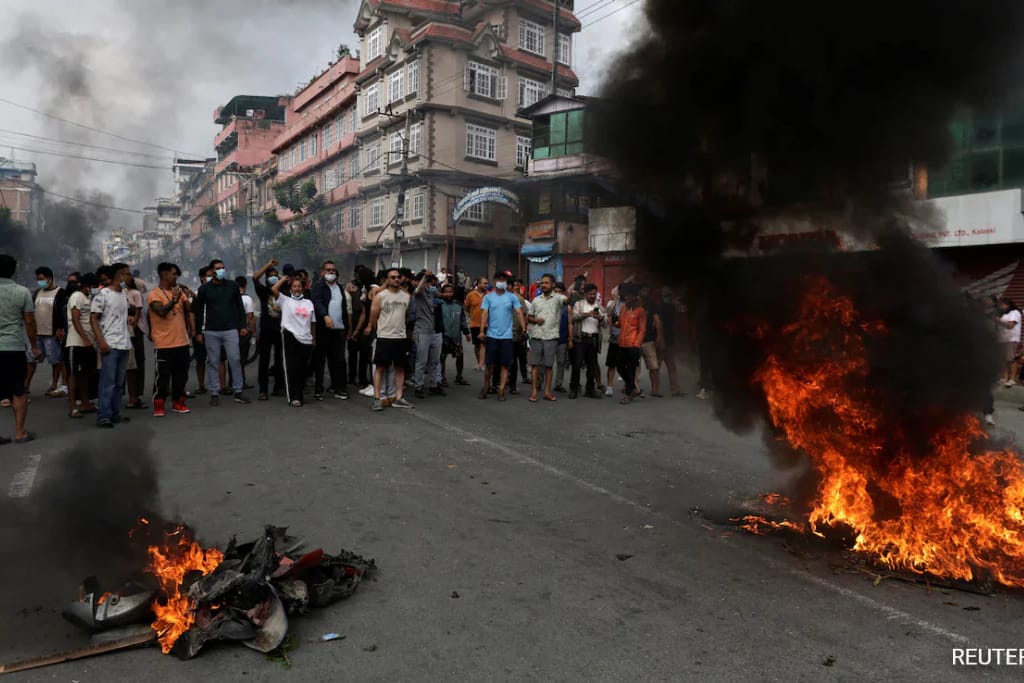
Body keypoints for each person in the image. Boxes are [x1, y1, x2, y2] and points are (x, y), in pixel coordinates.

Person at [193, 259, 250, 405]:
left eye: (223, 268)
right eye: (218, 268)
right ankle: (214, 393)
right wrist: (198, 331)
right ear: (211, 271)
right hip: (211, 331)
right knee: (213, 362)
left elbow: (239, 308)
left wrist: (243, 325)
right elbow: (199, 312)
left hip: (230, 329)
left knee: (235, 359)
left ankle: (238, 390)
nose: (221, 271)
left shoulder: (232, 286)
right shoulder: (204, 289)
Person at [0, 254, 40, 442]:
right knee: (18, 390)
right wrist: (34, 346)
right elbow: (30, 322)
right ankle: (20, 432)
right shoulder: (22, 292)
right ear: (14, 270)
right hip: (13, 347)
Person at [90, 263, 133, 428]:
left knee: (118, 383)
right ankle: (103, 416)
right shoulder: (103, 294)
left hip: (124, 344)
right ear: (119, 275)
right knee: (107, 382)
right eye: (127, 274)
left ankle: (114, 413)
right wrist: (101, 341)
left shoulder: (123, 293)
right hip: (110, 344)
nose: (130, 277)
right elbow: (93, 318)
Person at [365, 268, 414, 411]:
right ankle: (377, 399)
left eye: (398, 277)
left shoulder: (406, 296)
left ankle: (398, 398)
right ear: (387, 280)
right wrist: (380, 331)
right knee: (380, 368)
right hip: (384, 337)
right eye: (392, 277)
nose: (396, 279)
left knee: (399, 369)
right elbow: (373, 318)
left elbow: (405, 316)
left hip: (400, 337)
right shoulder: (380, 296)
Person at [148, 262, 193, 417]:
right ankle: (159, 405)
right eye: (174, 274)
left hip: (182, 342)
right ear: (165, 275)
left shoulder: (179, 292)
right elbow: (160, 311)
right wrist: (174, 300)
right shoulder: (154, 294)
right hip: (164, 344)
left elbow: (191, 309)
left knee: (181, 375)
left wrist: (192, 295)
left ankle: (178, 402)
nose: (176, 277)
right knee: (162, 376)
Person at [478, 271, 525, 401]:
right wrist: (482, 330)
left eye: (504, 279)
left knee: (505, 365)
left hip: (507, 336)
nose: (501, 281)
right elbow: (484, 314)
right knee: (490, 365)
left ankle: (501, 390)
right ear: (495, 281)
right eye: (499, 279)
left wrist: (524, 328)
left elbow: (519, 312)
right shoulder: (488, 298)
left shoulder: (512, 297)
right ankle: (486, 386)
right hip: (492, 335)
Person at [272, 273, 317, 407]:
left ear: (302, 288)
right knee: (292, 368)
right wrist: (283, 280)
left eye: (299, 286)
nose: (297, 289)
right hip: (290, 336)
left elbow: (313, 322)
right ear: (291, 288)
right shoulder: (285, 300)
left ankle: (300, 394)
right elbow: (274, 290)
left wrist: (314, 338)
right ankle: (294, 397)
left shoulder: (308, 303)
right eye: (294, 286)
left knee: (303, 369)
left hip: (306, 338)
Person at [311, 260, 351, 401]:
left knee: (339, 360)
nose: (331, 272)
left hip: (339, 329)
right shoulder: (318, 286)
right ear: (323, 272)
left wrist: (347, 328)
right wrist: (325, 316)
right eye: (328, 270)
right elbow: (317, 302)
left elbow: (344, 308)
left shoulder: (340, 287)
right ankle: (318, 389)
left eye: (333, 270)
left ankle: (340, 388)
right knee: (320, 360)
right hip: (323, 329)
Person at [527, 273, 566, 402]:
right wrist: (536, 320)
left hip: (551, 337)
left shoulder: (558, 299)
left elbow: (567, 300)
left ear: (553, 285)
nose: (543, 285)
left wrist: (571, 292)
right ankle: (534, 392)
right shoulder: (536, 300)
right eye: (542, 283)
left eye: (546, 283)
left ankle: (547, 392)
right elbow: (529, 317)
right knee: (535, 365)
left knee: (549, 366)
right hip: (537, 336)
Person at [65, 273, 98, 418]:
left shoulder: (88, 299)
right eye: (91, 287)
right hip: (76, 341)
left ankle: (85, 403)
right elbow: (75, 319)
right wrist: (84, 338)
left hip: (88, 342)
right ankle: (73, 407)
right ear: (85, 285)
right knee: (73, 374)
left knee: (85, 374)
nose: (91, 289)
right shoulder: (77, 296)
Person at [33, 266, 68, 398]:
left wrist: (61, 328)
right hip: (37, 332)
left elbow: (62, 313)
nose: (39, 282)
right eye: (37, 279)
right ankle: (25, 385)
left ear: (49, 278)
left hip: (52, 333)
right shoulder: (37, 292)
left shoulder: (60, 292)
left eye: (41, 279)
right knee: (31, 359)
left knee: (56, 360)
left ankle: (56, 384)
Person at [252, 259, 284, 400]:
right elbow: (254, 277)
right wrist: (268, 265)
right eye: (270, 275)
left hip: (280, 329)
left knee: (279, 359)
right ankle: (263, 390)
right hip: (266, 328)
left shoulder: (283, 292)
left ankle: (279, 387)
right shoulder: (263, 291)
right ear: (266, 278)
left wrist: (282, 279)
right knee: (264, 359)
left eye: (275, 275)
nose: (273, 277)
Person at [412, 271, 445, 398]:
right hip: (422, 331)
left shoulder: (431, 293)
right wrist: (424, 277)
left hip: (434, 331)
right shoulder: (419, 294)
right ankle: (418, 386)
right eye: (427, 281)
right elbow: (418, 289)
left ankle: (434, 384)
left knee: (435, 361)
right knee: (421, 361)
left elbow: (441, 294)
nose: (430, 284)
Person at [569, 284, 605, 399]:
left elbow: (605, 323)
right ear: (585, 294)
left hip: (593, 338)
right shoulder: (579, 304)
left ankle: (590, 389)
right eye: (590, 294)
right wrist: (587, 314)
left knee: (592, 365)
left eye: (594, 294)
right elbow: (573, 317)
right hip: (581, 338)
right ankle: (574, 389)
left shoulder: (598, 306)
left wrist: (600, 318)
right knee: (577, 364)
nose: (593, 296)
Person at [615, 284, 647, 405]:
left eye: (629, 295)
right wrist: (615, 322)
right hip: (622, 343)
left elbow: (642, 330)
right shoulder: (623, 308)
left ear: (635, 297)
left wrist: (636, 344)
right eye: (626, 295)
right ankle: (633, 387)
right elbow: (620, 325)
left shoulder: (641, 311)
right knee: (619, 367)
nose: (626, 297)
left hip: (633, 345)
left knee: (631, 370)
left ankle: (628, 394)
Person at [439, 282, 471, 387]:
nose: (449, 294)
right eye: (446, 292)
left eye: (450, 292)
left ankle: (459, 377)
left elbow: (463, 320)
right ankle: (442, 377)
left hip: (456, 337)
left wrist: (466, 332)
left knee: (460, 357)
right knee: (442, 358)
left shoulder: (458, 306)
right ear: (442, 293)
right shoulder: (439, 305)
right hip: (443, 337)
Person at [124, 275, 148, 410]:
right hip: (120, 331)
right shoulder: (111, 292)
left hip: (135, 329)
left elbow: (138, 309)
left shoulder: (136, 290)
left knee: (137, 363)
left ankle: (136, 395)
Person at [639, 284, 664, 397]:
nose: (646, 292)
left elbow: (657, 320)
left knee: (654, 367)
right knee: (633, 366)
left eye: (648, 291)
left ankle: (655, 389)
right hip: (635, 340)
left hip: (648, 339)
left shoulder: (651, 304)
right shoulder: (633, 303)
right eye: (644, 290)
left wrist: (659, 336)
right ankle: (633, 388)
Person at [235, 276, 257, 390]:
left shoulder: (232, 297)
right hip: (244, 332)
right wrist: (254, 333)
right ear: (245, 285)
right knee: (242, 358)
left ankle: (233, 381)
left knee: (233, 358)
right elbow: (251, 318)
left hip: (232, 331)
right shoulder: (247, 299)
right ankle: (241, 381)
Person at [464, 277, 488, 372]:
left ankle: (482, 364)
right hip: (474, 323)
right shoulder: (471, 295)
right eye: (484, 283)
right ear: (478, 284)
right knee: (477, 345)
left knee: (483, 344)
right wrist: (472, 314)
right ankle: (479, 362)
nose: (486, 285)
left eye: (486, 283)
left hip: (486, 324)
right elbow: (467, 307)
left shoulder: (489, 295)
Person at [998, 297, 1021, 387]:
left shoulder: (1015, 313)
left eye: (1002, 305)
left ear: (1008, 304)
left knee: (1011, 359)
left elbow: (1011, 325)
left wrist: (997, 320)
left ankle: (1012, 379)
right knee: (1004, 359)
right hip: (1004, 338)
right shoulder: (1004, 314)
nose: (1001, 307)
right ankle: (1005, 377)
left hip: (1011, 339)